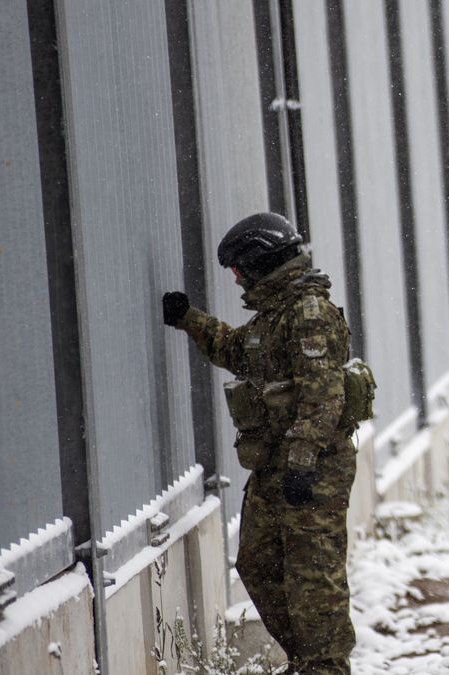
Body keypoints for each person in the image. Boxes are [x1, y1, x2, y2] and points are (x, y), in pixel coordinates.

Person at [163, 212, 357, 674]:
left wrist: (304, 463)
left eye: (237, 269)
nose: (236, 280)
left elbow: (322, 396)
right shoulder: (275, 316)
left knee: (314, 577)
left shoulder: (308, 313)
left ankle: (325, 666)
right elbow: (238, 352)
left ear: (258, 262)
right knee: (258, 563)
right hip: (276, 466)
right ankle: (306, 660)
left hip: (313, 471)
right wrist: (190, 320)